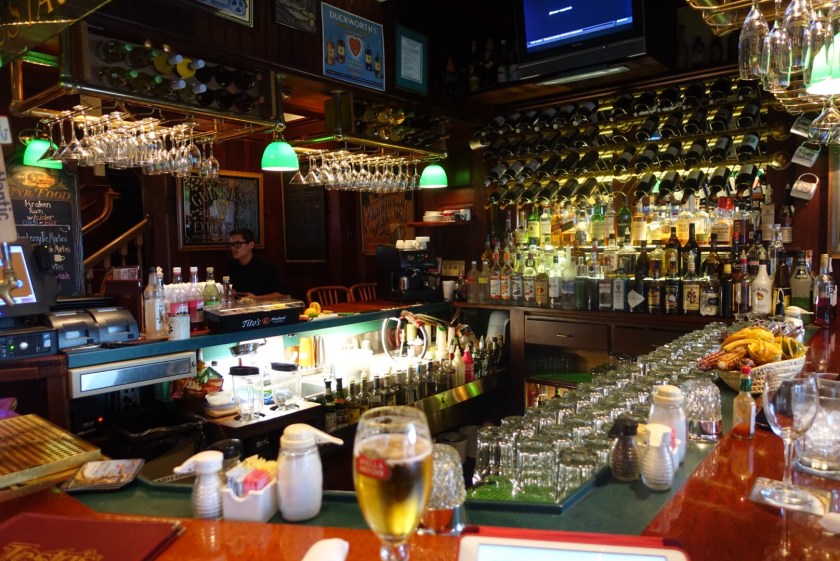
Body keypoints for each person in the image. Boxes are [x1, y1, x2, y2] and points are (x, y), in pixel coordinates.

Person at [227, 228, 285, 300]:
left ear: (251, 245)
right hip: (239, 305)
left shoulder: (266, 266)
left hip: (263, 305)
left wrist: (256, 298)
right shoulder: (232, 265)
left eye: (237, 244)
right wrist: (232, 292)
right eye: (231, 245)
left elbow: (282, 294)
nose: (233, 248)